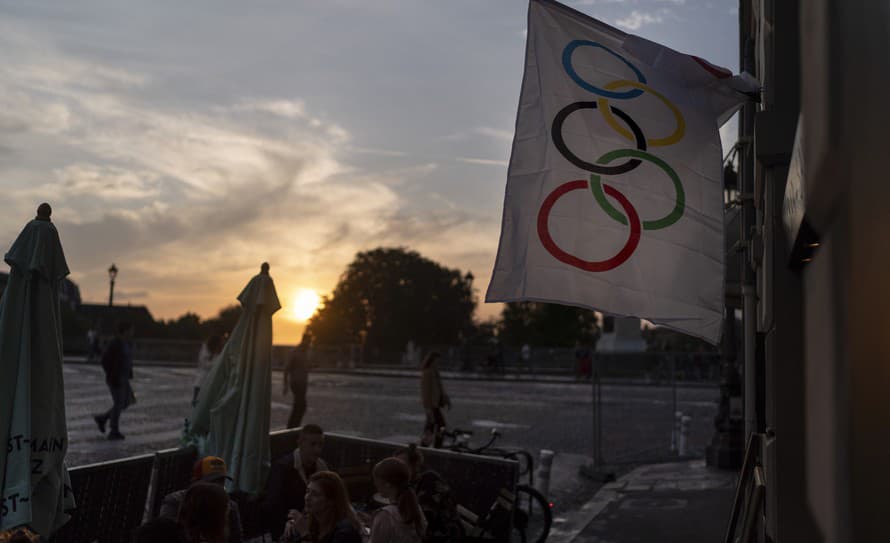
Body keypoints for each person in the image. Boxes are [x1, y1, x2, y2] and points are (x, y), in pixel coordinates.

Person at [264, 424, 330, 540]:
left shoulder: (322, 466)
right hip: (287, 529)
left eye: (320, 445)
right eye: (313, 444)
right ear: (300, 443)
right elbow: (273, 505)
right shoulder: (282, 468)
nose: (317, 450)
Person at [159, 456, 243, 543]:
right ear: (195, 482)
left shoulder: (229, 506)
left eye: (221, 481)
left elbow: (236, 539)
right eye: (212, 482)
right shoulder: (175, 503)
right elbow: (167, 536)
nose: (218, 487)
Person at [394, 444, 461, 543]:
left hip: (444, 536)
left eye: (402, 465)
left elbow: (424, 519)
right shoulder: (411, 482)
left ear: (415, 465)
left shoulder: (430, 481)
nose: (397, 470)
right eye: (396, 466)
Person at [282, 471, 362, 543]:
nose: (307, 497)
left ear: (331, 501)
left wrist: (304, 533)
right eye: (307, 491)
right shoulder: (313, 525)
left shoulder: (345, 532)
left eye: (315, 494)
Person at [367, 458, 426, 543]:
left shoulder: (385, 515)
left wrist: (362, 532)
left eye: (376, 481)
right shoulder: (416, 508)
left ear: (387, 484)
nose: (375, 484)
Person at [93, 321, 135, 440]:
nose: (133, 332)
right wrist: (112, 374)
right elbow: (105, 360)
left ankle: (103, 419)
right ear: (125, 331)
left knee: (125, 402)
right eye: (131, 330)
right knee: (119, 404)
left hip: (124, 378)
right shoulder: (115, 343)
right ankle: (113, 430)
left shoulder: (127, 343)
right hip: (117, 378)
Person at [420, 352, 450, 448]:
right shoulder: (427, 373)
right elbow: (425, 392)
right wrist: (428, 408)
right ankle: (435, 446)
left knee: (431, 427)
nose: (438, 363)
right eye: (436, 361)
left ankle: (426, 446)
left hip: (435, 405)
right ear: (431, 361)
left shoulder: (435, 372)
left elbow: (440, 389)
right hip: (431, 406)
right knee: (440, 425)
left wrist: (446, 400)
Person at [283, 341, 309, 429]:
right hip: (297, 383)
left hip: (302, 383)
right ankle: (292, 426)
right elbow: (286, 369)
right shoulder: (295, 353)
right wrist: (285, 385)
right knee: (300, 406)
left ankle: (294, 426)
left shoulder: (304, 353)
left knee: (300, 406)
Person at [193, 335, 224, 407]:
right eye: (220, 342)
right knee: (197, 405)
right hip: (202, 383)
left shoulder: (219, 352)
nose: (221, 344)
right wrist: (216, 364)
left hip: (212, 383)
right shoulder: (206, 350)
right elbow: (204, 363)